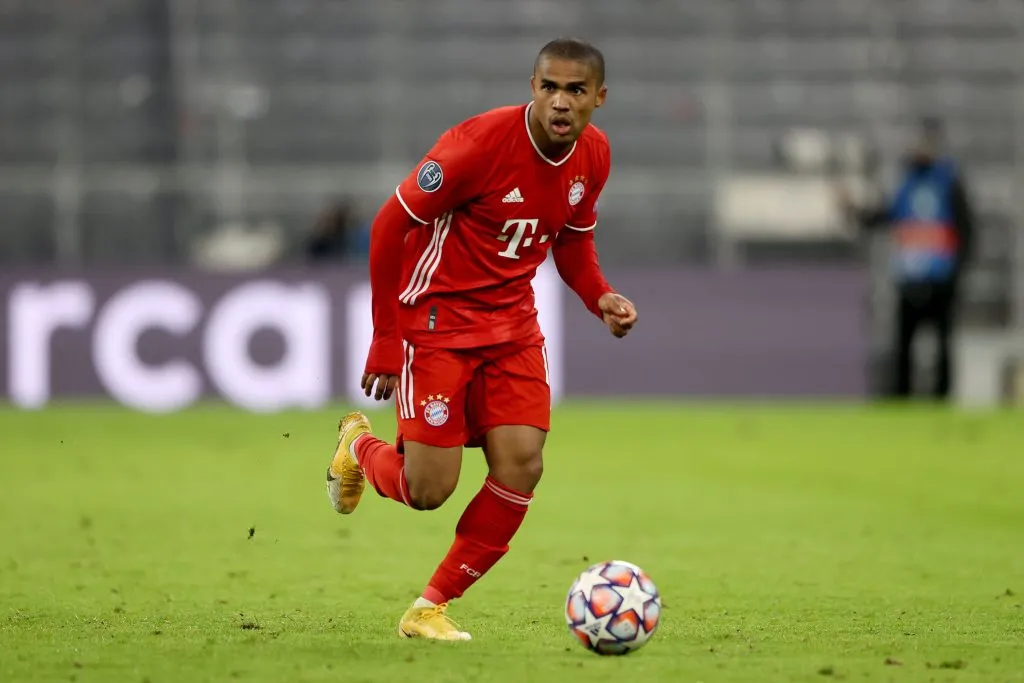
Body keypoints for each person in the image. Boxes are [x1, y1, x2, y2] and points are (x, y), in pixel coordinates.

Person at [324, 38, 638, 641]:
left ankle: (430, 606)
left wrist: (599, 296)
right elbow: (389, 225)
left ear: (600, 97)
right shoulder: (476, 146)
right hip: (438, 322)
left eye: (576, 90)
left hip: (513, 326)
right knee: (428, 490)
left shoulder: (593, 155)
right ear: (532, 86)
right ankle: (357, 445)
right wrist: (386, 338)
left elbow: (571, 241)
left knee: (523, 464)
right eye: (549, 87)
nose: (561, 102)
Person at [837, 117, 974, 399]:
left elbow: (965, 230)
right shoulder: (906, 183)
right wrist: (856, 212)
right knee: (904, 343)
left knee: (942, 344)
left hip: (941, 277)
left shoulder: (948, 181)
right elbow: (885, 216)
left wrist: (958, 270)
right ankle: (902, 401)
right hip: (910, 276)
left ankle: (941, 400)